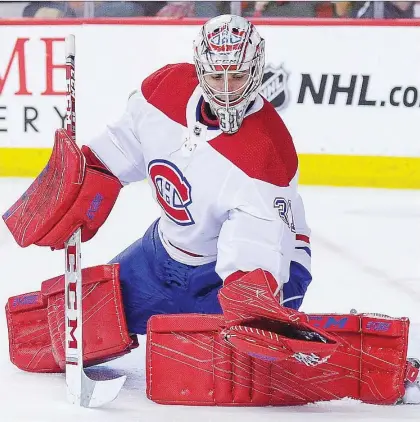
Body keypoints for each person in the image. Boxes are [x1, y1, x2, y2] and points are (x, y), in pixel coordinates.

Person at [4, 13, 311, 371]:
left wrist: (250, 299)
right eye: (216, 76)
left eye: (238, 76)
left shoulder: (265, 153)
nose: (227, 89)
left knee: (228, 365)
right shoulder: (164, 91)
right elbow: (119, 150)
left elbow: (255, 247)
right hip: (162, 254)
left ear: (256, 70)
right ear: (200, 68)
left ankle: (267, 335)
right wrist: (83, 186)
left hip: (249, 274)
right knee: (51, 333)